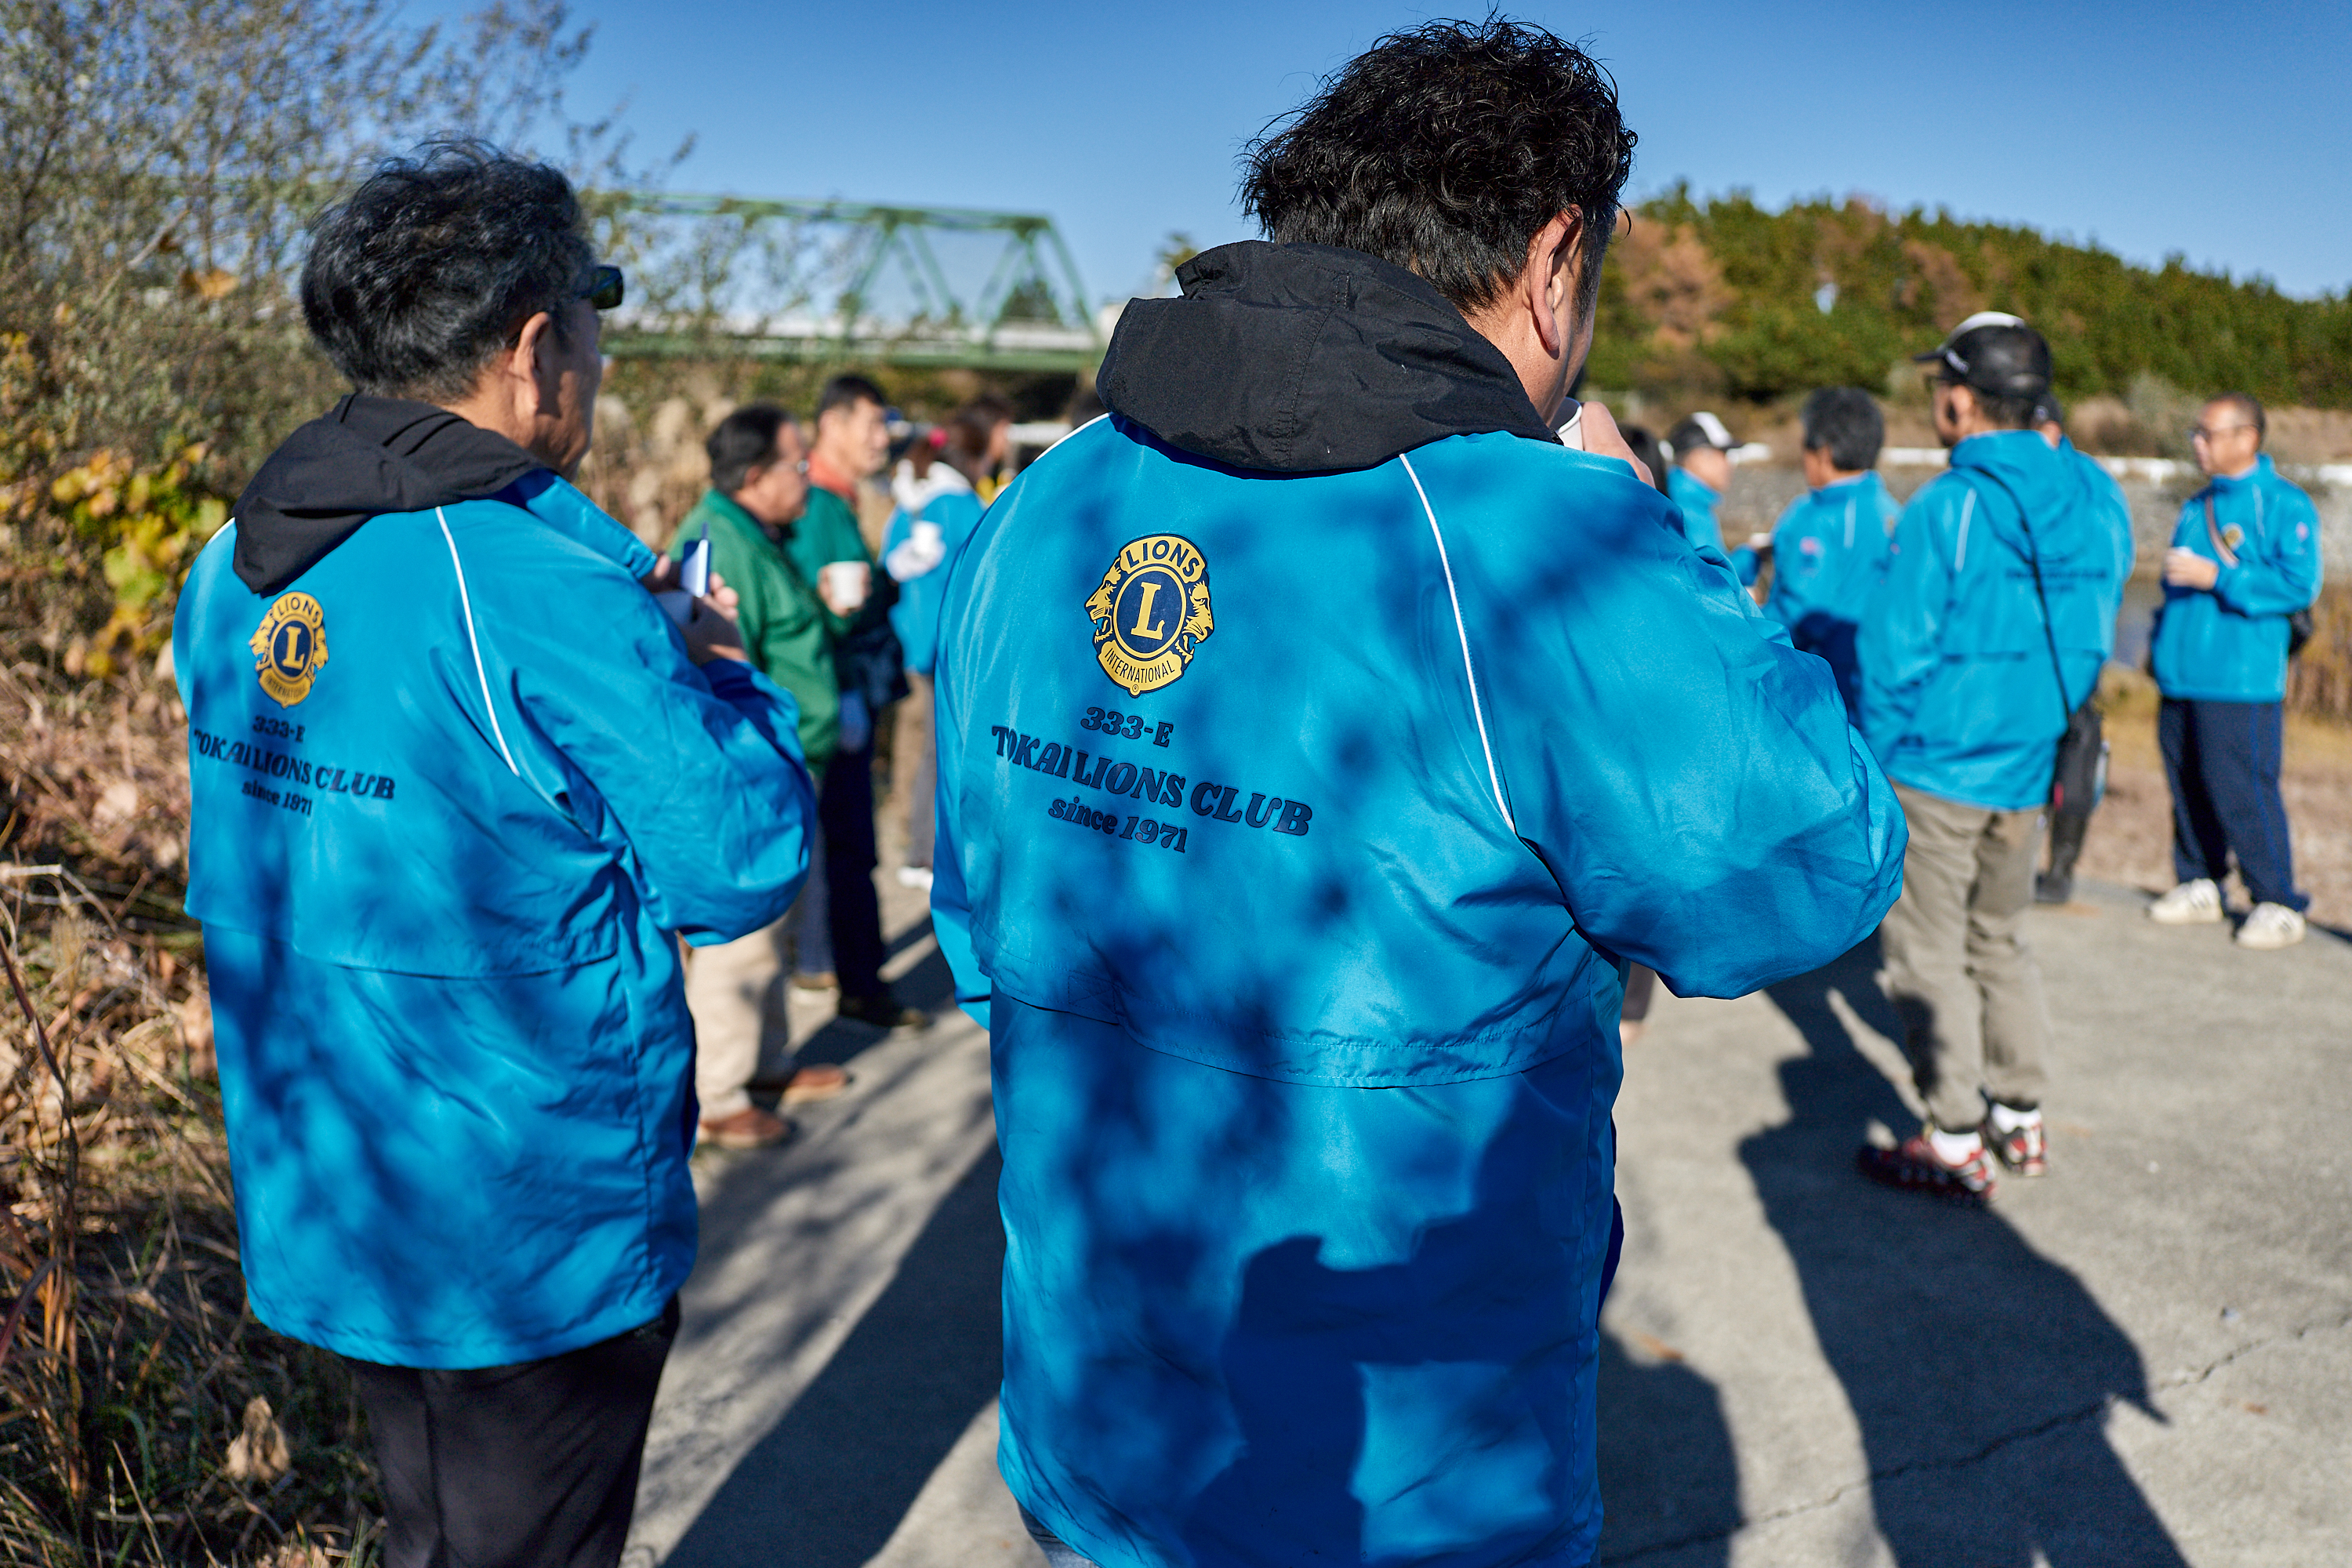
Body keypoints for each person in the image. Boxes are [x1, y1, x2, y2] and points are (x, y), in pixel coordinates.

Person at [929, 22, 1906, 1566]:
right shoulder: (1542, 541)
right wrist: (1650, 528)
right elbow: (1812, 869)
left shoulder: (1049, 498)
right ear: (1555, 260)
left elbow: (975, 912)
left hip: (1094, 1408)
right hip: (1404, 1474)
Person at [172, 143, 815, 1568]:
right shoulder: (537, 581)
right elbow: (739, 861)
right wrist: (717, 672)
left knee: (432, 1528)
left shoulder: (232, 562)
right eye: (591, 326)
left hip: (331, 1166)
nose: (596, 364)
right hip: (525, 1217)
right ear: (534, 350)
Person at [1856, 318, 2115, 1199]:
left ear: (1962, 400)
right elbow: (2097, 625)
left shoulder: (1949, 506)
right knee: (2001, 936)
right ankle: (2021, 1113)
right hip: (2030, 764)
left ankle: (1955, 1133)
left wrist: (1873, 769)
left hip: (1938, 767)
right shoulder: (2095, 496)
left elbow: (1894, 657)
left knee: (1925, 953)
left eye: (1941, 385)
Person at [673, 405, 855, 1148]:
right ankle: (718, 1094)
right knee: (741, 934)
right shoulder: (716, 544)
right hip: (749, 769)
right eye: (797, 464)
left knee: (776, 922)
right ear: (755, 476)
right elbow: (706, 661)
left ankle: (766, 1061)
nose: (808, 477)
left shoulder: (753, 535)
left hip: (785, 760)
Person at [2145, 392, 2322, 948]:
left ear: (2248, 438)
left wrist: (2218, 577)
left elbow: (2299, 584)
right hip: (2181, 673)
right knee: (2186, 785)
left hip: (2240, 679)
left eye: (2209, 434)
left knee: (2243, 790)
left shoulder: (2283, 504)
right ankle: (2200, 881)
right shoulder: (2196, 505)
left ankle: (2278, 900)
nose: (2198, 444)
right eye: (2195, 434)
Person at [798, 372, 930, 1028]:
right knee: (845, 849)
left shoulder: (843, 501)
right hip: (828, 702)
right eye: (875, 424)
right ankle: (856, 983)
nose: (885, 439)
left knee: (839, 849)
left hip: (842, 697)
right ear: (834, 424)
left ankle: (828, 965)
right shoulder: (814, 505)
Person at [881, 397, 1004, 891]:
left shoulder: (913, 499)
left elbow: (889, 561)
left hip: (906, 642)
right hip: (943, 649)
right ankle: (924, 851)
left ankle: (908, 839)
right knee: (936, 750)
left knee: (911, 744)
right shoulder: (961, 504)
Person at [1728, 388, 1898, 718]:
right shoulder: (1892, 510)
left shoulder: (1814, 515)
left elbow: (1801, 609)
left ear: (1823, 453)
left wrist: (1746, 624)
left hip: (1822, 689)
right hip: (1875, 684)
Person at [2032, 390, 2137, 903]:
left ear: (2051, 429)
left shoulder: (2085, 484)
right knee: (2063, 749)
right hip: (2077, 639)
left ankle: (2059, 868)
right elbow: (2123, 562)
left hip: (2068, 641)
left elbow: (2115, 563)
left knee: (2072, 750)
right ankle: (2042, 868)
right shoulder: (2097, 483)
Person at [1664, 408, 1739, 551]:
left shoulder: (1680, 497)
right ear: (1697, 457)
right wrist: (1753, 554)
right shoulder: (1688, 509)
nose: (1730, 464)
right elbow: (1710, 565)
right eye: (1724, 453)